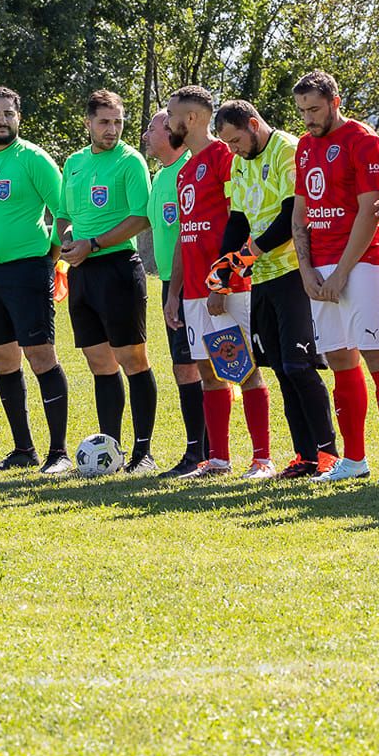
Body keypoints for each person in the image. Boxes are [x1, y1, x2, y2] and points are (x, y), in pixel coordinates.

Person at [291, 71, 379, 484]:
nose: (308, 118)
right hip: (319, 268)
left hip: (362, 264)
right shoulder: (305, 147)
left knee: (377, 356)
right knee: (340, 359)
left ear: (335, 101)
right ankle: (355, 459)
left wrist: (342, 271)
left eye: (315, 109)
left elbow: (370, 210)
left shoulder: (363, 140)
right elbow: (300, 213)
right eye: (303, 111)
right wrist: (306, 270)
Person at [216, 99, 334, 478]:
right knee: (281, 369)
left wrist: (250, 252)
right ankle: (305, 456)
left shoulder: (287, 149)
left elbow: (290, 215)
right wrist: (223, 267)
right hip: (260, 278)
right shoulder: (237, 162)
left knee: (300, 365)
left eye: (236, 140)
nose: (233, 150)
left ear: (253, 125)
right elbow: (237, 219)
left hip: (292, 273)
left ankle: (328, 452)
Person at [166, 86, 270, 479]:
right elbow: (184, 235)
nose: (168, 122)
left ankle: (262, 459)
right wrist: (174, 292)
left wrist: (222, 282)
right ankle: (220, 459)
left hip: (227, 288)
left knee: (242, 367)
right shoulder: (185, 170)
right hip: (193, 290)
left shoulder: (225, 159)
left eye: (172, 114)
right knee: (208, 372)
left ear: (191, 119)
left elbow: (241, 220)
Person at [0, 85, 71, 474]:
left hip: (29, 268)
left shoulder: (35, 159)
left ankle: (58, 453)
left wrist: (51, 258)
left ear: (19, 117)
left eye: (8, 114)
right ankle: (23, 450)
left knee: (40, 355)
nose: (2, 120)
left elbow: (65, 210)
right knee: (2, 358)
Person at [57, 90, 158, 470]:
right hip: (82, 272)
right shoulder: (75, 163)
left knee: (133, 359)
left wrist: (94, 244)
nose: (112, 129)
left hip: (117, 268)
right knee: (99, 362)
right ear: (87, 123)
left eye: (117, 122)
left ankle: (143, 452)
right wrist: (68, 240)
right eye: (104, 122)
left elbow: (140, 218)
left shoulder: (130, 161)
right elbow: (64, 214)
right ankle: (110, 451)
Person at [143, 109, 208, 472]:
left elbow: (190, 233)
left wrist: (177, 289)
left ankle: (204, 452)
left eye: (153, 128)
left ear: (170, 131)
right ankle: (200, 450)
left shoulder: (190, 168)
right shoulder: (161, 176)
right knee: (185, 367)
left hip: (193, 283)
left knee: (198, 366)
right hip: (172, 281)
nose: (146, 135)